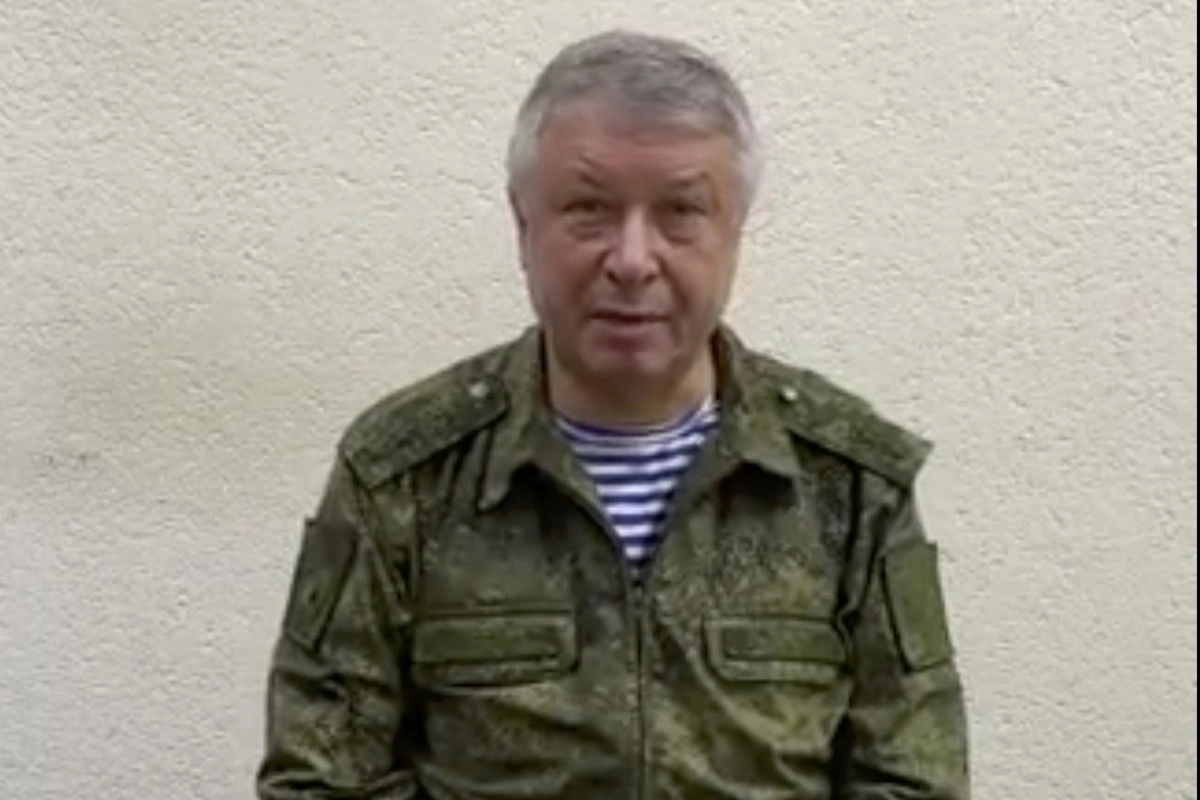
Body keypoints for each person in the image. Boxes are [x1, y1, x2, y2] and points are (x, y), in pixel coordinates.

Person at [256, 29, 969, 800]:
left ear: (736, 231)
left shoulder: (847, 484)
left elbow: (915, 780)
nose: (632, 260)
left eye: (681, 212)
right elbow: (320, 780)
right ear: (523, 225)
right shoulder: (403, 479)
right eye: (589, 209)